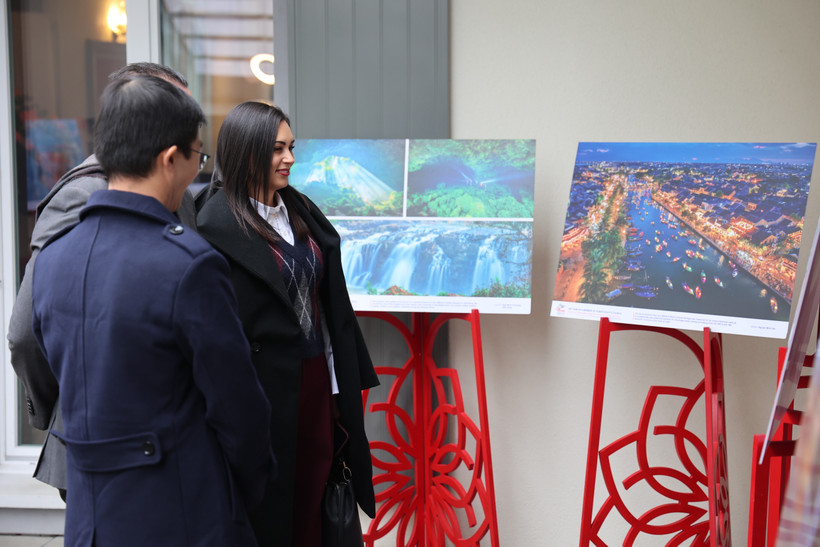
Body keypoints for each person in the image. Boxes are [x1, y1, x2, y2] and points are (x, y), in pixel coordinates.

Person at [31, 75, 275, 545]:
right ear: (170, 159)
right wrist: (246, 489)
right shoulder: (189, 265)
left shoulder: (53, 259)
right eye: (198, 157)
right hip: (182, 515)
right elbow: (240, 410)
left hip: (89, 522)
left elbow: (37, 350)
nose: (198, 170)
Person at [7, 62, 197, 498]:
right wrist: (67, 400)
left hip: (173, 440)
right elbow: (25, 333)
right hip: (99, 445)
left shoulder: (179, 190)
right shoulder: (82, 194)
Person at [196, 101, 379, 546]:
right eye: (278, 148)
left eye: (291, 147)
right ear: (247, 151)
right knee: (269, 506)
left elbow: (328, 307)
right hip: (259, 392)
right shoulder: (214, 224)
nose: (290, 159)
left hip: (315, 380)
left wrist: (338, 390)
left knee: (316, 493)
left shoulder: (300, 210)